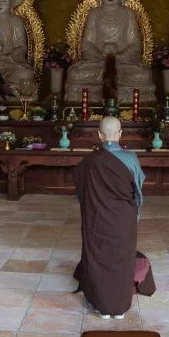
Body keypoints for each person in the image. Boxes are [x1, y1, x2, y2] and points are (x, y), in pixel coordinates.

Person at [72, 117, 153, 319]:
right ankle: (120, 307)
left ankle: (101, 306)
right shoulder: (131, 158)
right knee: (123, 258)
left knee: (97, 256)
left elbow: (81, 190)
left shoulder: (88, 161)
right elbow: (138, 191)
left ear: (99, 135)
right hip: (123, 220)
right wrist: (135, 212)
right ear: (120, 134)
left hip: (96, 219)